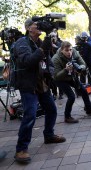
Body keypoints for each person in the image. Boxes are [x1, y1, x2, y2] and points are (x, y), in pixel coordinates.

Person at [14, 18, 66, 164]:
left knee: (52, 109)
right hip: (27, 84)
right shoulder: (21, 43)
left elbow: (48, 61)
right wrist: (43, 49)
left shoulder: (41, 42)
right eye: (36, 25)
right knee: (30, 114)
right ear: (29, 28)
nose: (39, 27)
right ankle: (21, 149)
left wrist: (49, 72)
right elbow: (27, 61)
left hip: (41, 83)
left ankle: (49, 135)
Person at [52, 41, 91, 123]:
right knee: (71, 97)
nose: (69, 52)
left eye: (70, 50)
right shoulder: (55, 59)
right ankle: (67, 117)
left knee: (84, 91)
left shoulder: (74, 52)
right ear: (61, 50)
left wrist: (80, 68)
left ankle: (89, 110)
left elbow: (83, 63)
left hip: (71, 76)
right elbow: (56, 76)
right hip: (60, 80)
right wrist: (66, 70)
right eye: (66, 50)